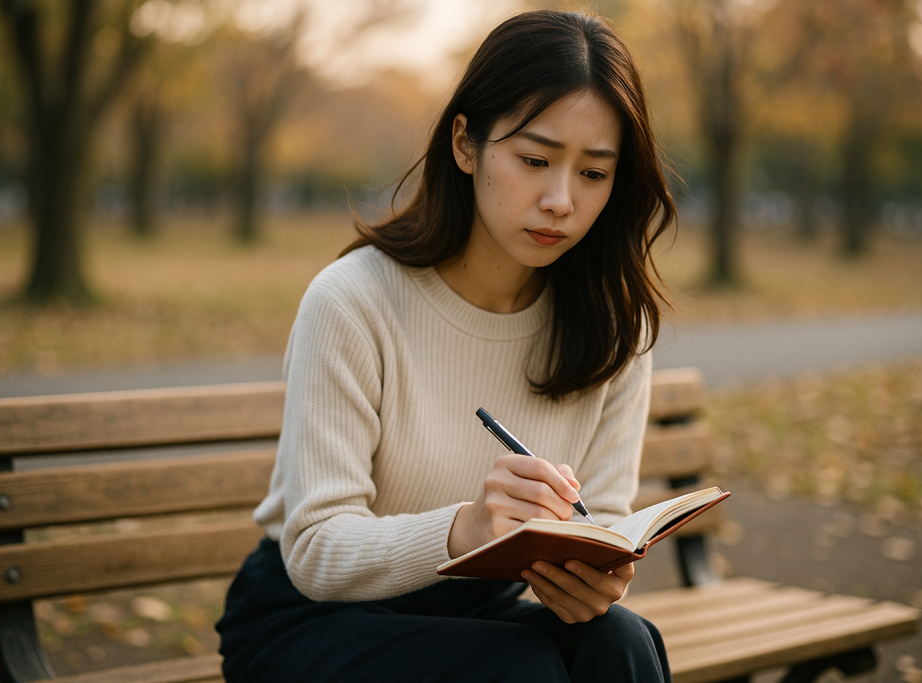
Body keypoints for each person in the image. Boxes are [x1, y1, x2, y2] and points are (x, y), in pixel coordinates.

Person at [217, 9, 676, 682]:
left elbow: (601, 521)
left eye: (593, 173)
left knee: (621, 641)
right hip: (310, 616)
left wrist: (592, 579)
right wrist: (466, 528)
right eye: (535, 160)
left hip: (475, 615)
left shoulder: (614, 328)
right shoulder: (354, 301)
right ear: (465, 143)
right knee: (516, 665)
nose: (560, 199)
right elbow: (314, 548)